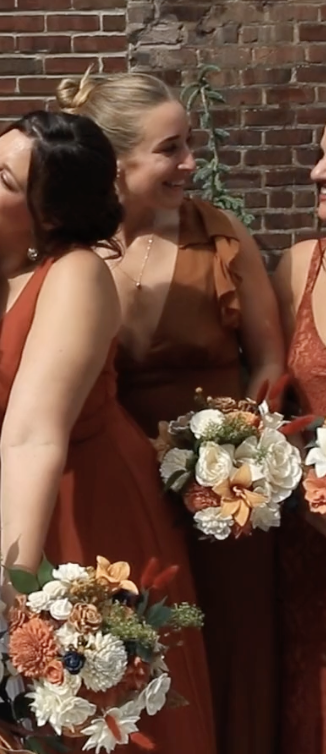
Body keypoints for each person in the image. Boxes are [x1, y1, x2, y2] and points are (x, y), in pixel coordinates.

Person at [0, 111, 216, 753]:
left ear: (50, 214)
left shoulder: (74, 275)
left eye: (7, 179)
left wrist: (16, 589)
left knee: (82, 703)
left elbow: (33, 434)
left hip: (79, 509)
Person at [57, 73, 284, 754]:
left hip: (222, 500)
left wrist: (242, 449)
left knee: (232, 641)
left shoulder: (219, 235)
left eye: (190, 145)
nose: (191, 163)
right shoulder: (71, 256)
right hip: (121, 494)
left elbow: (270, 362)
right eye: (171, 149)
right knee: (149, 640)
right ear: (118, 164)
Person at [272, 123, 326, 754]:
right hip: (309, 545)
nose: (316, 172)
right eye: (317, 154)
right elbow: (272, 403)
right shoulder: (297, 268)